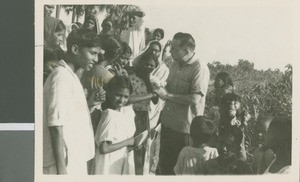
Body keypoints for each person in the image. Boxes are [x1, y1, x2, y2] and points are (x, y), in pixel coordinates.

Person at [43, 29, 103, 175]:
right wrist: (62, 171)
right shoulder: (61, 76)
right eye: (93, 53)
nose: (96, 59)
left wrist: (90, 103)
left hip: (72, 158)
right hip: (61, 162)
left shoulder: (71, 76)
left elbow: (70, 116)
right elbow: (55, 124)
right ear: (75, 49)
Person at [155, 32, 210, 175]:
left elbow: (194, 99)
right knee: (164, 167)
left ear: (186, 51)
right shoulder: (174, 64)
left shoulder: (199, 68)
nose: (170, 51)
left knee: (180, 171)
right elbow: (170, 89)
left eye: (174, 48)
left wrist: (167, 95)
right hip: (168, 125)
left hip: (184, 129)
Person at [91, 76, 136, 174]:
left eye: (126, 97)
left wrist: (132, 144)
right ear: (110, 93)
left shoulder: (123, 112)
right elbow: (104, 148)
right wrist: (128, 142)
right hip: (106, 166)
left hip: (116, 162)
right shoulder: (110, 115)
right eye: (118, 95)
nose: (121, 100)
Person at [128, 52, 159, 175]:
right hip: (133, 115)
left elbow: (155, 101)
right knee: (134, 145)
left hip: (144, 116)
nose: (149, 67)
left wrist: (154, 89)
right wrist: (151, 94)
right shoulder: (132, 77)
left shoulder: (150, 80)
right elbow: (128, 99)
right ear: (141, 64)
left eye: (152, 66)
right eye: (147, 64)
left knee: (142, 146)